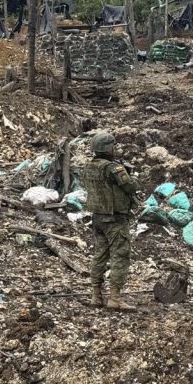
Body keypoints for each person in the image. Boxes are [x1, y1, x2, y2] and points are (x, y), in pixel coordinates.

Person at [81, 132, 140, 311]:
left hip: (97, 217)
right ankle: (114, 298)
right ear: (108, 148)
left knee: (99, 255)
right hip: (114, 218)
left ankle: (96, 295)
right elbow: (130, 186)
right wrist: (133, 177)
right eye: (113, 146)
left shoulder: (88, 166)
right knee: (120, 255)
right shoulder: (114, 168)